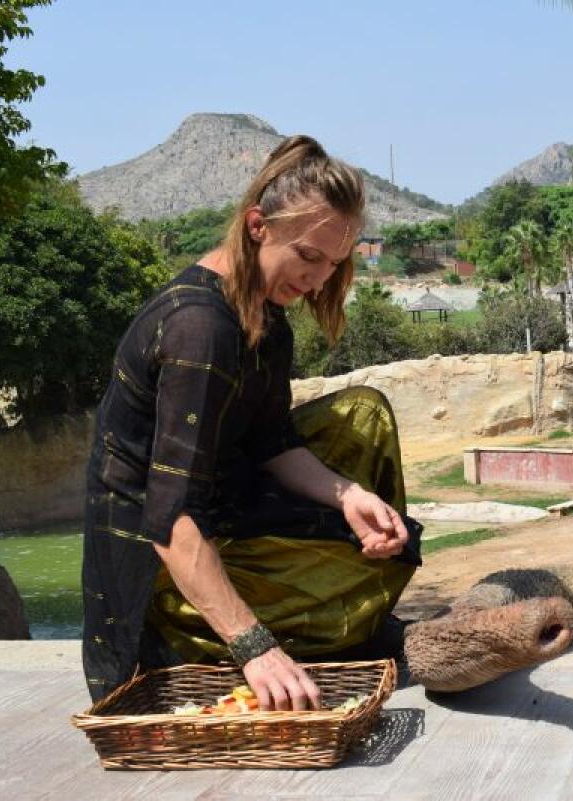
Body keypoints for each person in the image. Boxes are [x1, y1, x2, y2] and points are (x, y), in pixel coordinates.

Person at [81, 135, 421, 710]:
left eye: (333, 265)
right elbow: (171, 518)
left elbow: (273, 443)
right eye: (309, 257)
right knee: (333, 588)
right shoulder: (199, 331)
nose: (317, 280)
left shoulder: (268, 314)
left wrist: (348, 495)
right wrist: (255, 645)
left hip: (231, 506)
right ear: (258, 225)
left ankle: (319, 622)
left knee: (363, 418)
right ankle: (226, 637)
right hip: (158, 574)